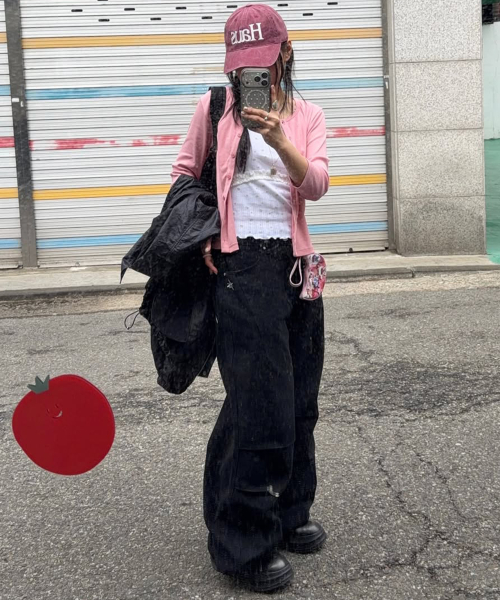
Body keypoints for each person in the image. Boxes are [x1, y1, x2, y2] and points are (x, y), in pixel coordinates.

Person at [171, 3, 329, 593]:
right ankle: (242, 545)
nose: (248, 75)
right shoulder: (214, 109)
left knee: (300, 401)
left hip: (298, 268)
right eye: (242, 65)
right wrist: (205, 233)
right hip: (240, 269)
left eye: (260, 62)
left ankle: (288, 513)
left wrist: (280, 140)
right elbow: (184, 175)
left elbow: (317, 185)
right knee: (260, 405)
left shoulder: (307, 114)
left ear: (285, 53)